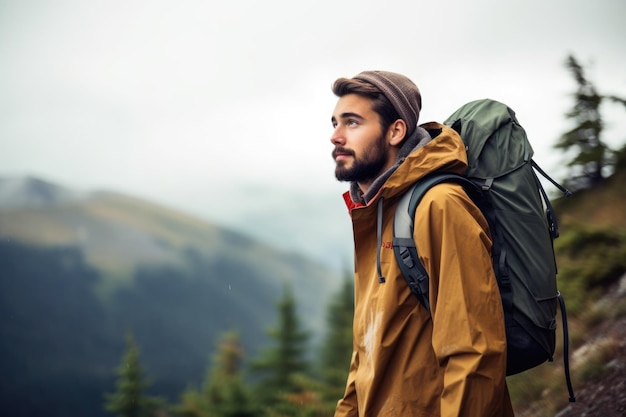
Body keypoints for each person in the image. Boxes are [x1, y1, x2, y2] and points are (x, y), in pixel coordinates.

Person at [329, 70, 515, 417]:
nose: (335, 136)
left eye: (352, 123)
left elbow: (474, 350)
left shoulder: (439, 205)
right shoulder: (377, 211)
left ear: (395, 131)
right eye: (335, 123)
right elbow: (367, 354)